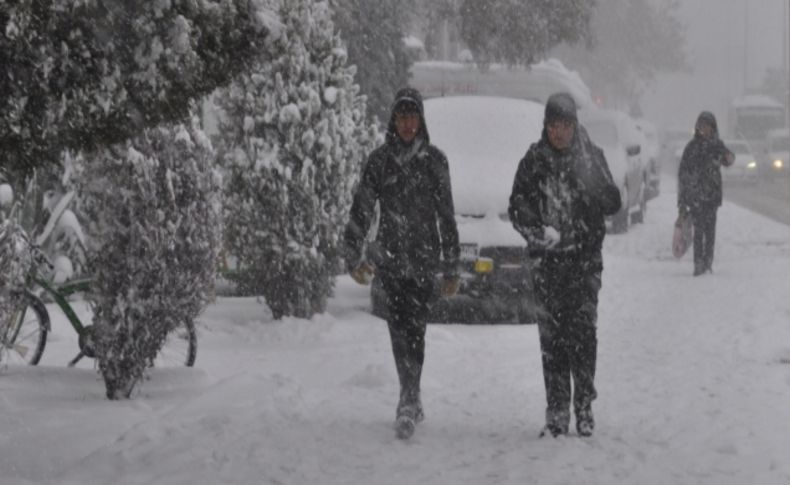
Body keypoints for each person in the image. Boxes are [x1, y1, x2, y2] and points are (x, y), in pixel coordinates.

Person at [344, 87, 460, 440]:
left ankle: (410, 394)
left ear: (421, 120)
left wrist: (451, 264)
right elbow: (362, 208)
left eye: (413, 117)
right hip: (391, 258)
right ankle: (408, 394)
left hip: (424, 258)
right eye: (402, 117)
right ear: (393, 121)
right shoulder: (380, 162)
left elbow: (447, 215)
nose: (408, 124)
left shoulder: (435, 161)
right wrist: (353, 252)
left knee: (416, 329)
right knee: (398, 328)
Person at [508, 92, 621, 438]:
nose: (561, 132)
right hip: (548, 266)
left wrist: (594, 190)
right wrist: (538, 231)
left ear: (575, 126)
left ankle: (584, 407)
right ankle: (557, 409)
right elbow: (517, 206)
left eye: (567, 125)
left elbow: (613, 201)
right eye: (555, 125)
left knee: (583, 337)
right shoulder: (533, 160)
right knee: (552, 340)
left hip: (584, 264)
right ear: (547, 126)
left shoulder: (591, 157)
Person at [677, 111, 734, 276]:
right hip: (696, 197)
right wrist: (682, 201)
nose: (705, 129)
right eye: (702, 126)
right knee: (698, 231)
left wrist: (729, 158)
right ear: (697, 127)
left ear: (713, 128)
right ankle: (698, 263)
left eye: (708, 126)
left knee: (710, 232)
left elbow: (728, 159)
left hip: (712, 198)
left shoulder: (717, 145)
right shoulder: (692, 147)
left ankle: (708, 262)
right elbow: (683, 174)